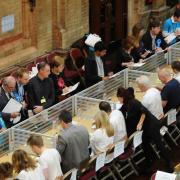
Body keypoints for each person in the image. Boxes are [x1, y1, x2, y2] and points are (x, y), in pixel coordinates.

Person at [116, 86, 173, 173]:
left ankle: (169, 162)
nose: (119, 100)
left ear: (122, 97)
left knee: (159, 144)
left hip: (151, 125)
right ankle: (150, 161)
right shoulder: (126, 104)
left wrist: (140, 122)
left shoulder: (134, 102)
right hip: (145, 128)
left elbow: (144, 112)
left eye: (119, 98)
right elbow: (121, 110)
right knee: (145, 145)